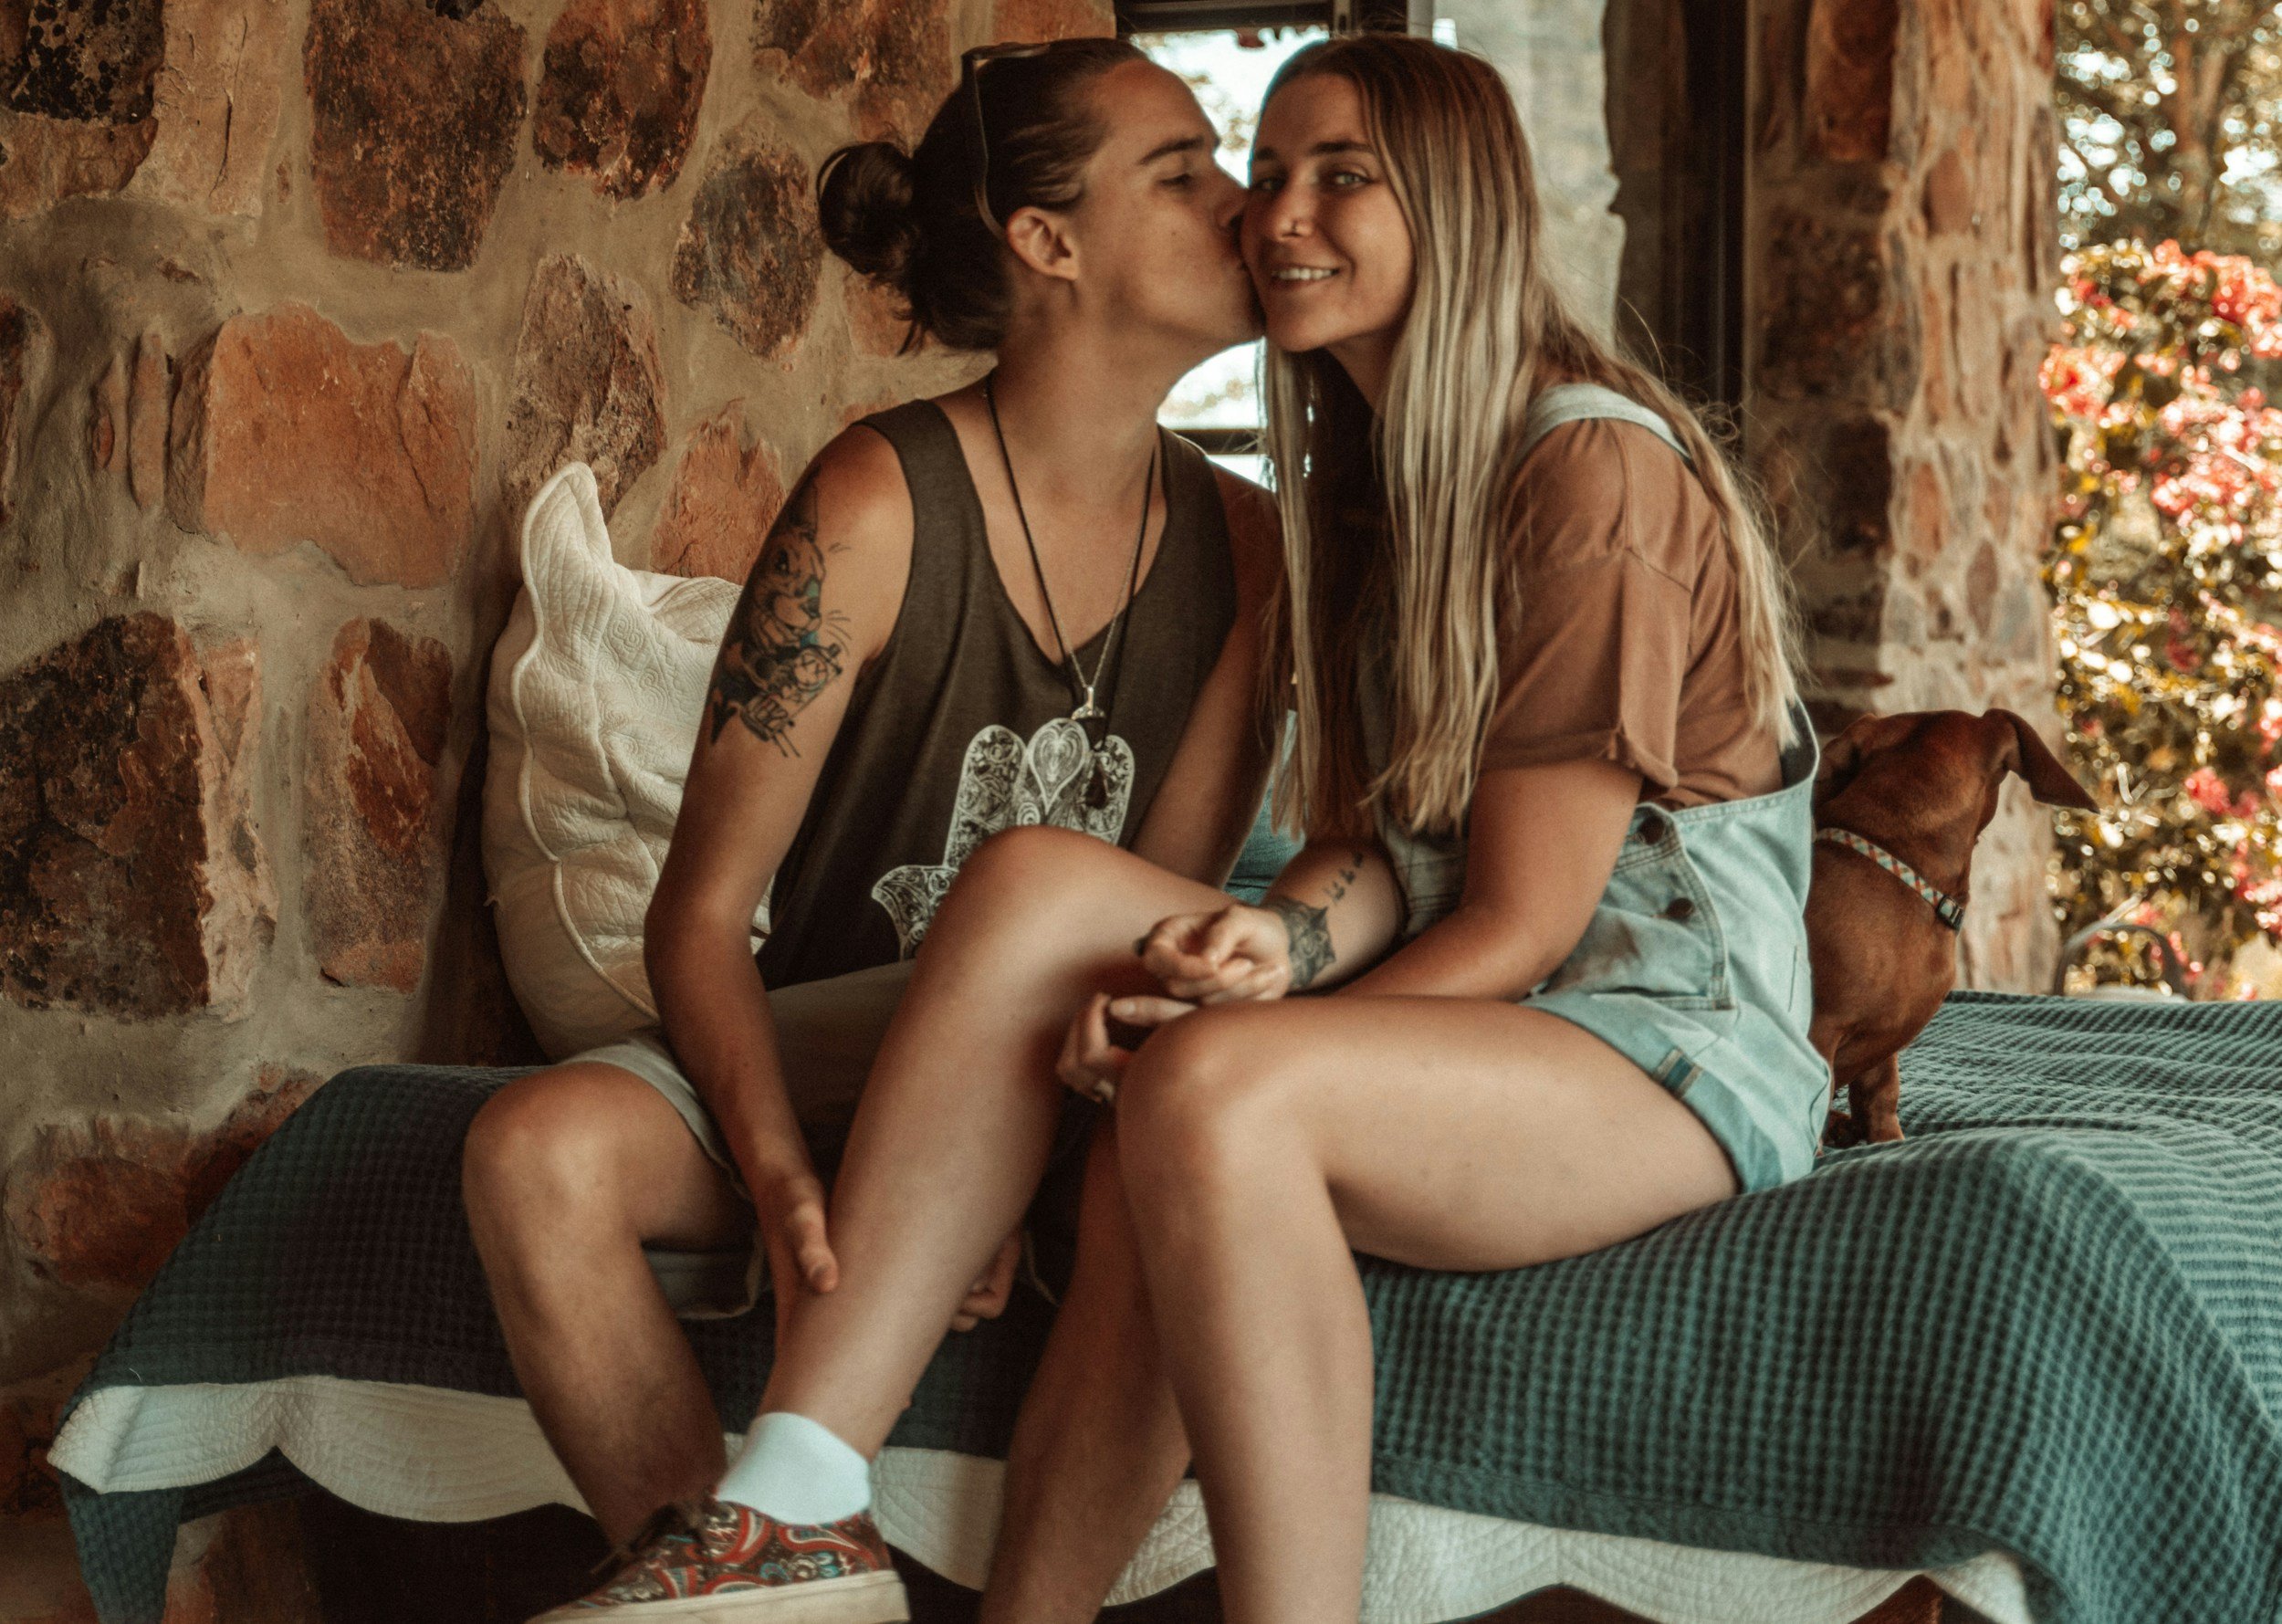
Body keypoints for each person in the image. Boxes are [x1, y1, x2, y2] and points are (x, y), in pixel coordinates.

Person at [619, 30, 1827, 1624]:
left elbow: (1528, 921)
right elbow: (1398, 850)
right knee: (1043, 883)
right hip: (1517, 1015)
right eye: (1264, 175)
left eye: (1343, 176)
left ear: (1456, 207)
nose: (1276, 216)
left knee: (1204, 1097)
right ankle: (803, 1501)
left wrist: (1236, 1039)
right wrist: (1274, 937)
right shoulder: (1379, 488)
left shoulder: (1585, 468)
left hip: (1662, 1044)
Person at [461, 36, 1281, 1623]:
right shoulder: (878, 503)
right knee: (530, 1153)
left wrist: (1007, 1179)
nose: (1241, 205)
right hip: (842, 1044)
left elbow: (1160, 926)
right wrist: (780, 1181)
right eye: (1184, 174)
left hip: (1066, 1053)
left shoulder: (1250, 557)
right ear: (1046, 241)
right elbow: (697, 920)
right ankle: (763, 1580)